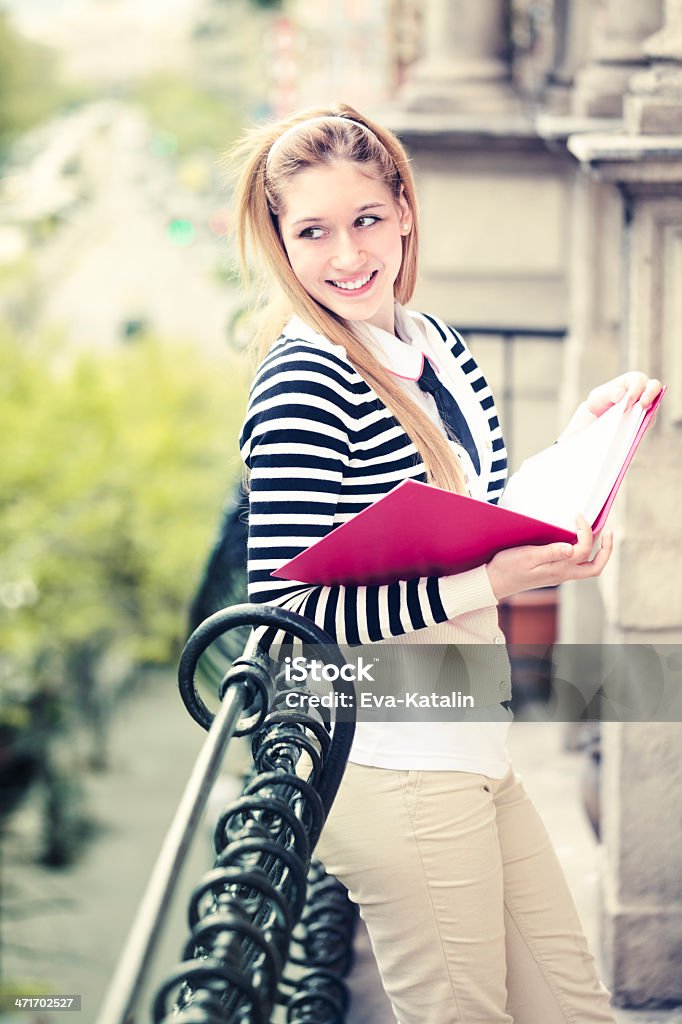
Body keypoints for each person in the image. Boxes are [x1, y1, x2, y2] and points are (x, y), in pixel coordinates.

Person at [230, 103, 662, 1024]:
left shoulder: (436, 346)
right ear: (280, 241)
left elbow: (481, 510)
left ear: (404, 212)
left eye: (365, 221)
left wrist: (585, 443)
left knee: (574, 1012)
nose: (347, 255)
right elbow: (287, 613)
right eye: (313, 232)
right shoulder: (307, 377)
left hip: (468, 738)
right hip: (391, 759)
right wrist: (492, 585)